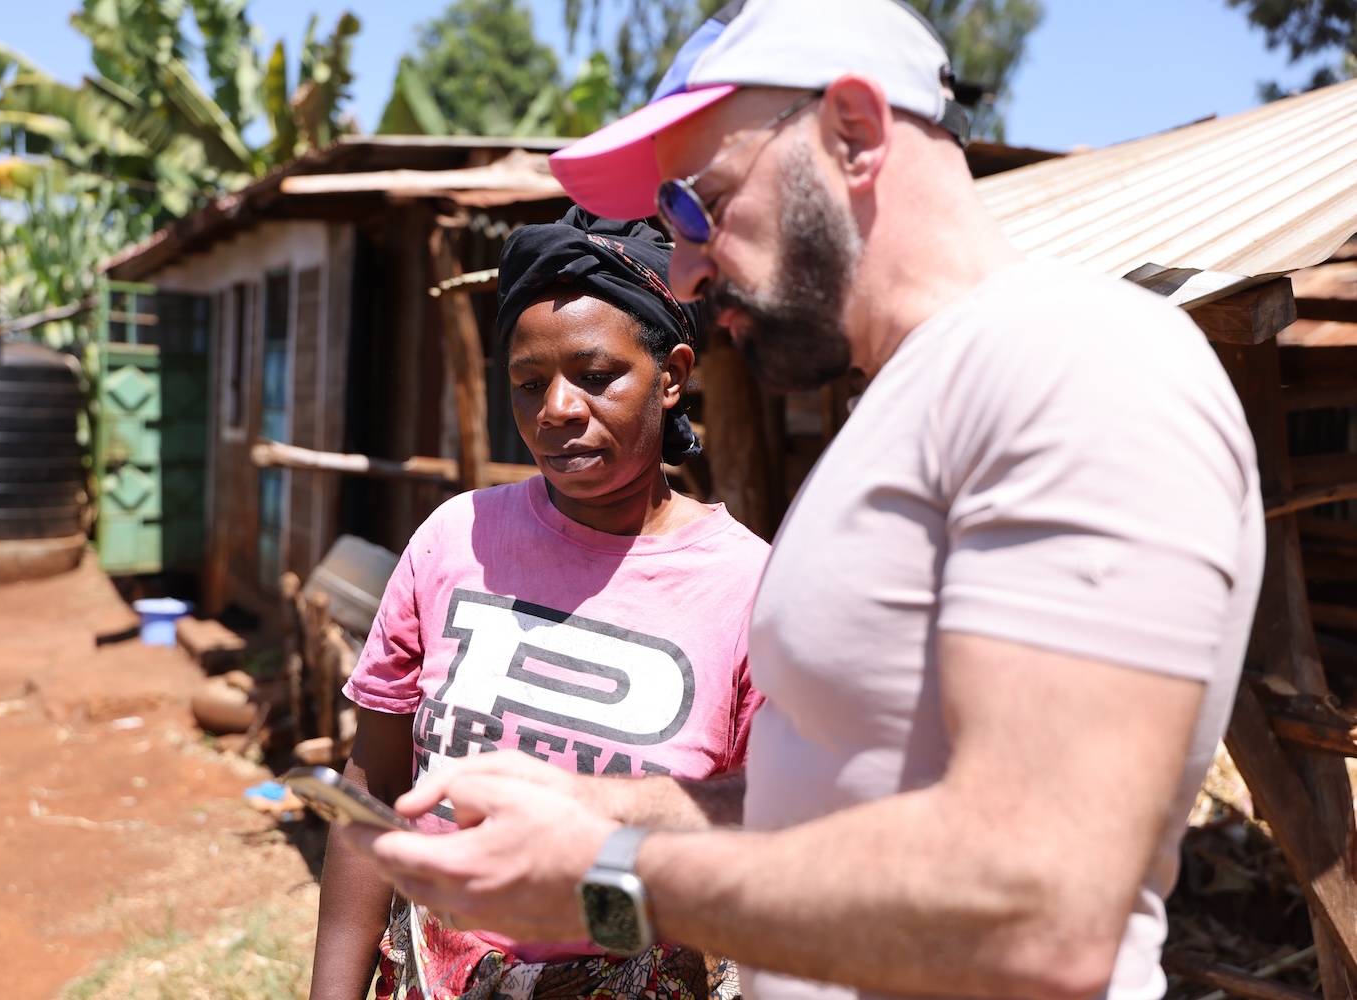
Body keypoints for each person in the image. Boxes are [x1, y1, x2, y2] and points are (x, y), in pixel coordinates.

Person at [340, 2, 1267, 1000]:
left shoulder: (1075, 363)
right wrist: (601, 812)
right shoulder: (905, 409)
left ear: (855, 134)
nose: (684, 266)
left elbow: (1042, 906)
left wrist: (610, 874)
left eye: (701, 205)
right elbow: (826, 800)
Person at [309, 208, 769, 1000]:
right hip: (432, 974)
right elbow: (372, 788)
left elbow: (777, 830)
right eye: (528, 384)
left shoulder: (751, 590)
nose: (555, 408)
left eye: (595, 377)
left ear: (672, 374)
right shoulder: (457, 539)